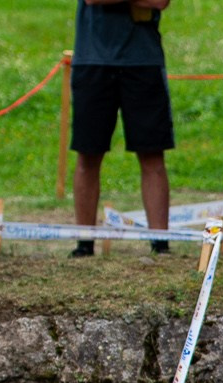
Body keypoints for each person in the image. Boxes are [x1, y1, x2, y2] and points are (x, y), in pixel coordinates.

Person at [71, 0, 175, 257]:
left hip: (144, 62)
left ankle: (160, 244)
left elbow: (160, 2)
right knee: (88, 154)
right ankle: (85, 243)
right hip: (92, 61)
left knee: (153, 154)